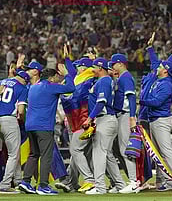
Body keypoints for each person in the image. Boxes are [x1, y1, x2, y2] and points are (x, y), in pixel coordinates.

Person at [140, 34, 172, 193]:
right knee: (157, 152)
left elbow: (156, 102)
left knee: (166, 151)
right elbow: (163, 61)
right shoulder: (160, 77)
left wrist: (140, 101)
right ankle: (165, 181)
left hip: (161, 119)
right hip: (155, 119)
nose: (158, 66)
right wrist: (150, 48)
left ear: (165, 72)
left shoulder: (167, 84)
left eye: (161, 66)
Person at [19, 64, 74, 195]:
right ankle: (43, 185)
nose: (57, 79)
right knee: (46, 156)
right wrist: (67, 73)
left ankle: (25, 182)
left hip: (30, 126)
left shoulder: (33, 87)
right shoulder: (51, 87)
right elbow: (71, 88)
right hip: (43, 126)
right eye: (56, 77)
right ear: (51, 78)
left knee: (33, 154)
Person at [82, 57, 125, 195]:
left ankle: (100, 187)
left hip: (105, 119)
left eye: (94, 67)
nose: (91, 70)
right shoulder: (104, 80)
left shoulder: (104, 81)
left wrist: (90, 118)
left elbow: (101, 103)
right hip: (106, 120)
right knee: (107, 155)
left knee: (99, 153)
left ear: (100, 68)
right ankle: (120, 184)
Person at [56, 54, 96, 193]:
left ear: (83, 67)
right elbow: (73, 78)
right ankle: (71, 183)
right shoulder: (82, 78)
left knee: (76, 150)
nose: (76, 69)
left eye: (78, 66)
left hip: (84, 121)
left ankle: (90, 180)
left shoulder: (88, 79)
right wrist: (67, 59)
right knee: (76, 152)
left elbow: (75, 95)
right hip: (77, 121)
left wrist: (62, 93)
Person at [0, 70, 30, 194]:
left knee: (14, 152)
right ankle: (5, 184)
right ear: (24, 79)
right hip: (9, 120)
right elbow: (21, 110)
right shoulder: (22, 87)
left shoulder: (0, 82)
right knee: (13, 154)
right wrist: (24, 122)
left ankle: (18, 181)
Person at [111, 53, 138, 194]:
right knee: (120, 150)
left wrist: (132, 116)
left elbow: (132, 97)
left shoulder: (126, 77)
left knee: (125, 150)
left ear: (120, 64)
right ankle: (131, 180)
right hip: (121, 115)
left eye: (114, 64)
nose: (112, 66)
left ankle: (134, 181)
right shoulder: (121, 77)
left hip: (125, 115)